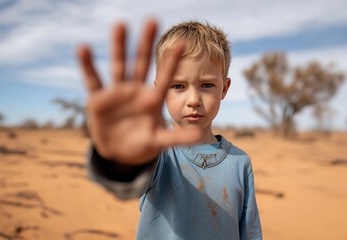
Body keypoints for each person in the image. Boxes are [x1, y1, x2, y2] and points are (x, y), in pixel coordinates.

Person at [77, 19, 262, 240]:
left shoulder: (239, 162)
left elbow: (250, 232)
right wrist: (120, 160)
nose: (193, 100)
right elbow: (126, 181)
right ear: (161, 90)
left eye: (207, 85)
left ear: (225, 88)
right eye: (178, 86)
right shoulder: (158, 155)